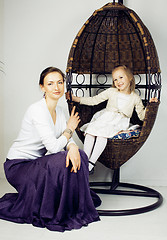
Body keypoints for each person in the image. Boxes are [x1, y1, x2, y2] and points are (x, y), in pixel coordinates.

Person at [0, 67, 101, 232]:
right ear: (42, 87)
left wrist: (74, 147)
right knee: (60, 158)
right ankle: (60, 209)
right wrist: (69, 130)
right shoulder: (37, 110)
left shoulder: (59, 111)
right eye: (50, 83)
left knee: (80, 154)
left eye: (60, 82)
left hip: (36, 164)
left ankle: (72, 204)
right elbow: (53, 147)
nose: (56, 87)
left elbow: (67, 141)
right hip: (18, 166)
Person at [66, 65, 158, 173]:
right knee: (91, 132)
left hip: (119, 122)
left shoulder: (135, 98)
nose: (118, 81)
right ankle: (85, 161)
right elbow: (94, 100)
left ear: (130, 78)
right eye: (115, 79)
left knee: (102, 135)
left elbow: (142, 117)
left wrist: (150, 106)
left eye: (121, 77)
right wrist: (75, 98)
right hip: (105, 118)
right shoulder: (111, 91)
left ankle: (91, 163)